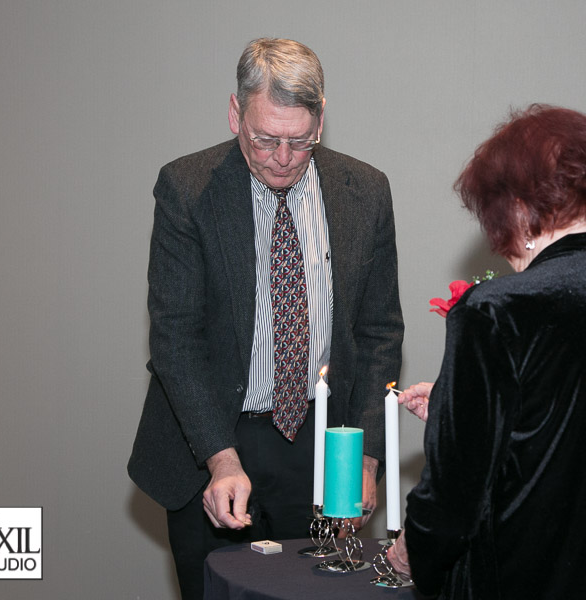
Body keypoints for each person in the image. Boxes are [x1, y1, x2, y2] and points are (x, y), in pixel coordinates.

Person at [128, 38, 403, 599]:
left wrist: (366, 456)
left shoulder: (365, 191)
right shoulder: (187, 188)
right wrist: (220, 459)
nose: (282, 156)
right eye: (265, 139)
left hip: (321, 446)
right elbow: (176, 338)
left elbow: (379, 332)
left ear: (320, 120)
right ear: (236, 114)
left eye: (300, 141)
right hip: (211, 439)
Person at [388, 105, 586, 599]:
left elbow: (454, 500)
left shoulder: (497, 310)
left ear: (516, 209)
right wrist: (455, 406)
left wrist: (411, 551)